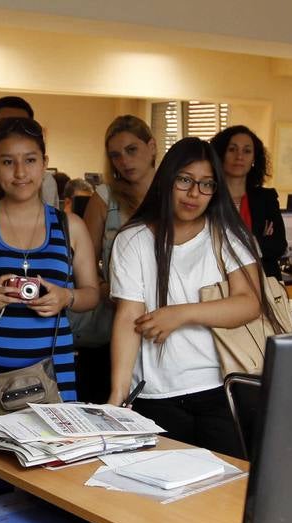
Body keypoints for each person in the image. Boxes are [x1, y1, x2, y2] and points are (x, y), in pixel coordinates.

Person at [0, 117, 100, 501]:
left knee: (49, 487)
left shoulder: (70, 226)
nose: (20, 172)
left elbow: (91, 294)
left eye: (30, 160)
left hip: (53, 377)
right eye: (8, 161)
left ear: (45, 163)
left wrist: (65, 297)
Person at [105, 138, 264, 457]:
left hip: (221, 390)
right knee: (159, 496)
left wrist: (180, 314)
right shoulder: (133, 239)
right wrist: (117, 394)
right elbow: (127, 316)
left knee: (223, 497)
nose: (195, 193)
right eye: (185, 180)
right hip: (154, 394)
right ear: (167, 180)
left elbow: (249, 303)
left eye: (206, 184)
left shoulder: (227, 235)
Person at [74, 116, 158, 405]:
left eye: (131, 150)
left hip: (164, 321)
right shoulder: (105, 197)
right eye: (115, 155)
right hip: (112, 321)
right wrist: (103, 287)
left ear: (152, 147)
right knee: (105, 401)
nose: (124, 160)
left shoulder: (175, 194)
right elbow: (81, 262)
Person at [209, 125, 286, 277]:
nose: (239, 156)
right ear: (220, 154)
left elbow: (278, 246)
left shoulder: (266, 198)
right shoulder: (207, 197)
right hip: (218, 282)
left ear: (254, 158)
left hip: (264, 284)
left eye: (247, 151)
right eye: (232, 149)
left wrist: (231, 246)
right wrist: (257, 242)